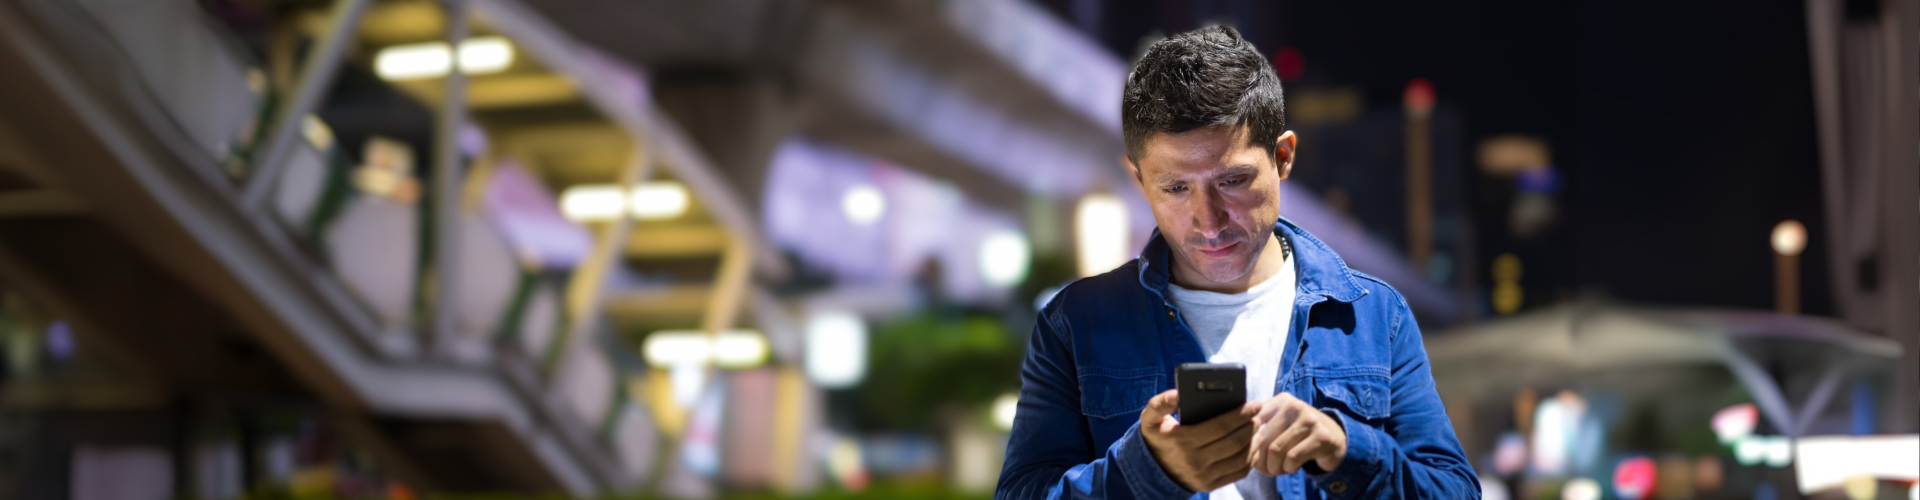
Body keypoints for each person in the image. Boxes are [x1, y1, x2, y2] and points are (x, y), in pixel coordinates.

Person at [995, 26, 1478, 500]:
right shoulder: (1075, 325)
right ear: (1138, 181)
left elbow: (1454, 490)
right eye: (1175, 188)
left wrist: (1346, 450)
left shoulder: (1374, 316)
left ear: (1283, 157)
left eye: (1232, 180)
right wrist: (1147, 471)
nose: (1208, 221)